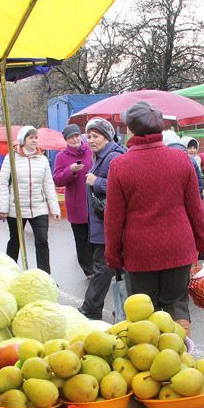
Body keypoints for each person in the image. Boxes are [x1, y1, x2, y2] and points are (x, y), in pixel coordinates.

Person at [105, 102, 204, 334]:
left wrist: (113, 254)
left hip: (140, 252)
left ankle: (152, 359)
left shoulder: (120, 165)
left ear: (132, 131)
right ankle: (181, 357)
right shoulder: (181, 159)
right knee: (176, 303)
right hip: (178, 248)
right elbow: (195, 207)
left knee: (145, 310)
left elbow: (114, 218)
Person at [80, 118, 127, 319]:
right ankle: (124, 310)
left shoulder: (113, 157)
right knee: (117, 270)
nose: (90, 140)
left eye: (95, 136)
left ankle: (90, 309)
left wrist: (96, 181)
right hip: (103, 222)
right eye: (88, 136)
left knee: (103, 268)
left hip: (109, 224)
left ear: (106, 137)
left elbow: (121, 187)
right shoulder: (100, 156)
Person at [0, 126, 61, 273]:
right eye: (30, 137)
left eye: (36, 137)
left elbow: (48, 185)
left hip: (39, 208)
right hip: (16, 208)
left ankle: (44, 276)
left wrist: (54, 208)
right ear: (23, 140)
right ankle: (8, 273)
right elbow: (2, 183)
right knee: (15, 241)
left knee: (42, 241)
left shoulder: (43, 159)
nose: (34, 140)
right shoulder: (11, 157)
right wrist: (3, 208)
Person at [53, 124, 94, 278]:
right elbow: (57, 179)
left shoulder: (90, 149)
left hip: (94, 202)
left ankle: (100, 268)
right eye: (71, 137)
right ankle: (88, 270)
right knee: (82, 240)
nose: (75, 139)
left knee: (96, 238)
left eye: (77, 135)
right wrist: (70, 171)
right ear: (66, 140)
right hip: (77, 204)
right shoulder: (61, 157)